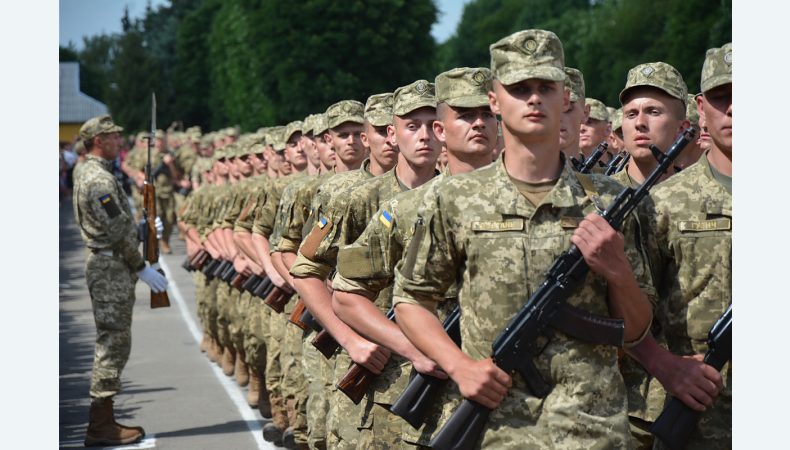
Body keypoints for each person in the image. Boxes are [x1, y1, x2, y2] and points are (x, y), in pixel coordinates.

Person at [392, 29, 655, 448]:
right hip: (500, 429)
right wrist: (459, 367)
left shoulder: (609, 200)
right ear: (495, 101)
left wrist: (618, 271)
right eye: (519, 88)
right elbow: (410, 300)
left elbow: (638, 329)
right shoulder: (456, 198)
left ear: (564, 98)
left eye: (545, 87)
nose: (533, 98)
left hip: (593, 429)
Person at [331, 67, 498, 448]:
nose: (478, 124)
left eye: (485, 114)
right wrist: (414, 348)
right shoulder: (406, 211)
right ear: (443, 129)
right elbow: (345, 294)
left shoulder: (536, 206)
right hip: (428, 397)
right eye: (464, 114)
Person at [627, 42, 732, 450]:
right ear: (702, 108)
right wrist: (662, 364)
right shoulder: (663, 203)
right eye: (723, 98)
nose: (735, 109)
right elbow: (630, 308)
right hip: (697, 414)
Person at [72, 115, 168, 447]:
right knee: (113, 343)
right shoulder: (97, 180)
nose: (119, 142)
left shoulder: (92, 171)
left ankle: (106, 417)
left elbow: (118, 223)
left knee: (114, 341)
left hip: (110, 263)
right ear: (98, 140)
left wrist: (142, 230)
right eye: (113, 137)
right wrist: (141, 265)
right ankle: (100, 424)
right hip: (110, 266)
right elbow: (114, 229)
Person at [609, 62, 690, 188]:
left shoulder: (704, 199)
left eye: (654, 112)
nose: (640, 123)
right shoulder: (594, 194)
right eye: (631, 114)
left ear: (682, 129)